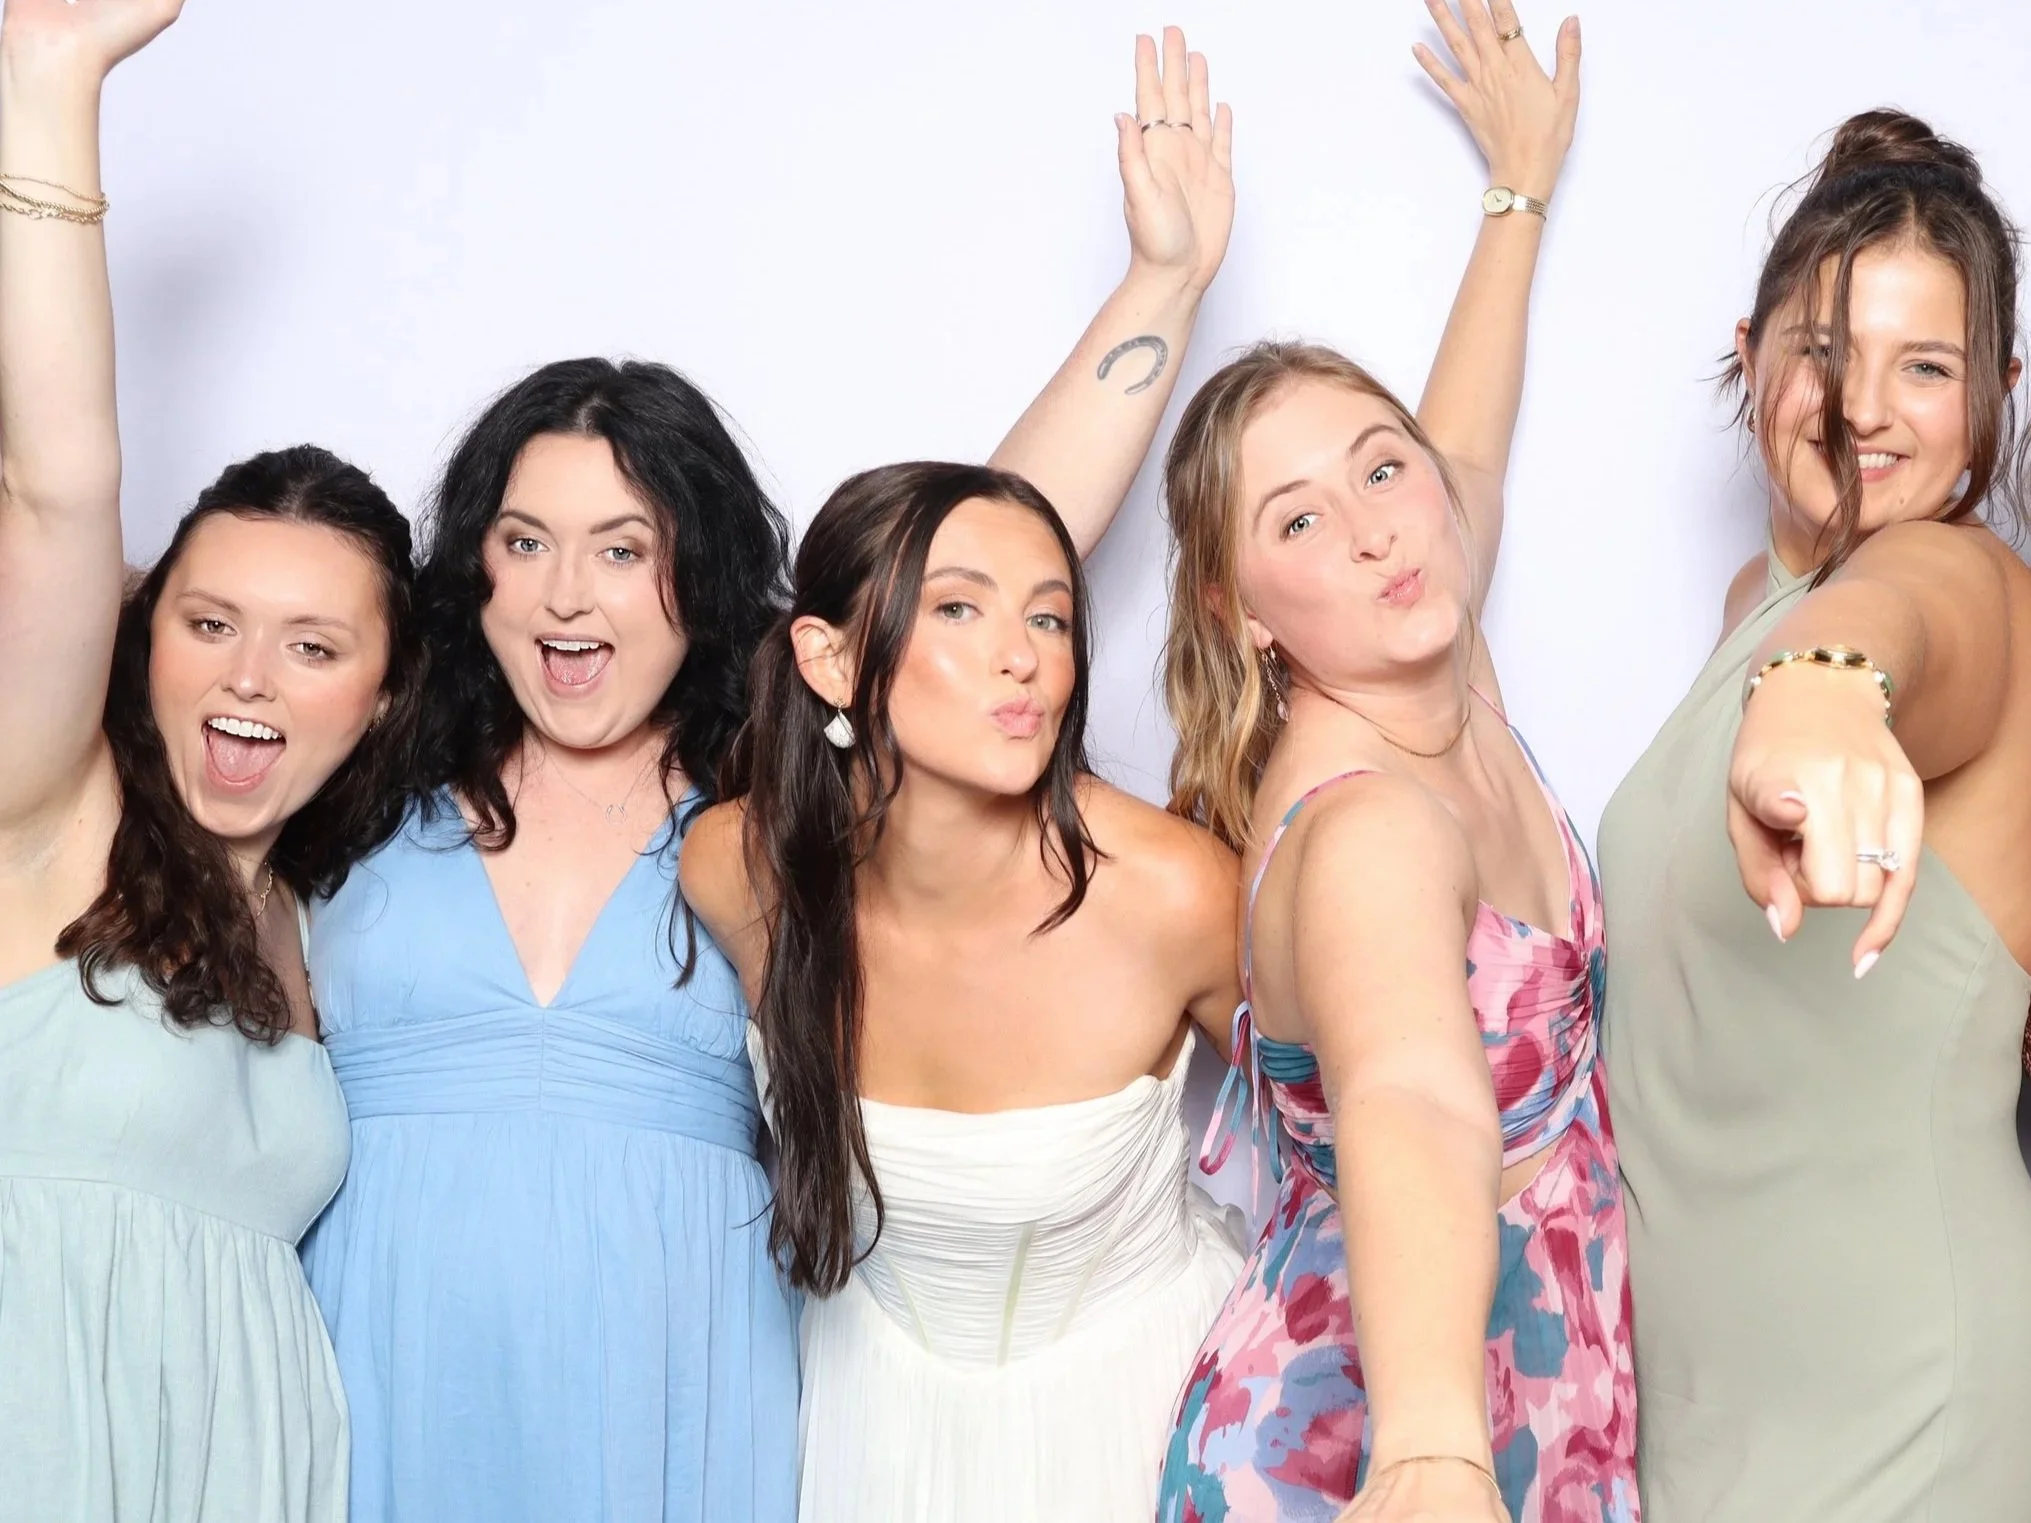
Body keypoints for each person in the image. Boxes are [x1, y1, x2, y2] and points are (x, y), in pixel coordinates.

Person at [299, 24, 1236, 1522]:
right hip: (383, 1381)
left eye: (624, 549)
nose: (567, 595)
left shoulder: (766, 816)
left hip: (685, 1403)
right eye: (525, 543)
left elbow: (973, 564)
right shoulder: (361, 772)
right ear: (473, 569)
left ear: (706, 580)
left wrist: (1162, 286)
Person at [677, 31, 1245, 1523]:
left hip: (1145, 1425)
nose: (1023, 657)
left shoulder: (1170, 893)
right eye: (963, 614)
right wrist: (1163, 283)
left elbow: (1373, 1127)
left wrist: (1167, 284)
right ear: (827, 660)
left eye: (1053, 620)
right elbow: (962, 542)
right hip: (864, 1437)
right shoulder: (738, 866)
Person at [1153, 5, 1638, 1521]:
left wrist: (1519, 186)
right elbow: (1415, 1094)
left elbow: (1465, 452)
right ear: (1242, 615)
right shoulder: (1363, 822)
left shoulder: (1439, 649)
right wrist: (1430, 1448)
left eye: (1381, 467)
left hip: (1544, 1404)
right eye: (1298, 519)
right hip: (1367, 1448)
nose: (1372, 530)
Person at [0, 2, 424, 1519]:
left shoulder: (316, 918)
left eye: (313, 645)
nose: (249, 676)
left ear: (381, 696)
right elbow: (58, 487)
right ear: (142, 630)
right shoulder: (51, 816)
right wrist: (50, 90)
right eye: (210, 623)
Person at [1598, 109, 2031, 1520]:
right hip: (1695, 1400)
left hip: (1899, 1399)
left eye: (1926, 367)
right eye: (1824, 351)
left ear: (1996, 393)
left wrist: (1828, 685)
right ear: (1749, 356)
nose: (1863, 408)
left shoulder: (1972, 589)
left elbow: (1901, 620)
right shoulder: (1755, 603)